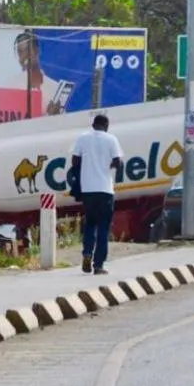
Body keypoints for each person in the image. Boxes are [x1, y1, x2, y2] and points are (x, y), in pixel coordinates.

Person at [72, 113, 123, 275]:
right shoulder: (111, 139)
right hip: (105, 189)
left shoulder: (82, 138)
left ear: (93, 125)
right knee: (103, 228)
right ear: (106, 126)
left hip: (88, 189)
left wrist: (86, 167)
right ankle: (98, 265)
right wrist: (110, 165)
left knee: (90, 224)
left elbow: (75, 161)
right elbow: (118, 162)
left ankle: (87, 253)